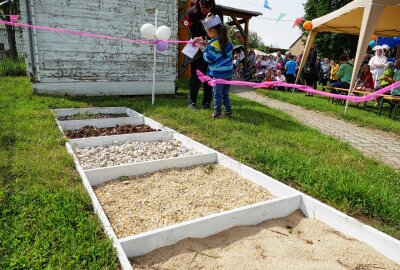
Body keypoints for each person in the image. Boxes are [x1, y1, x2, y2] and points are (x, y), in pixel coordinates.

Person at [187, 0, 223, 110]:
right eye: (203, 8)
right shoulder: (192, 12)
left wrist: (212, 43)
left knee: (210, 74)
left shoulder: (218, 10)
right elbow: (192, 32)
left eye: (208, 9)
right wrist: (197, 39)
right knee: (197, 74)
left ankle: (206, 103)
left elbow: (220, 29)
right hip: (198, 46)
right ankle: (191, 102)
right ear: (199, 4)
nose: (205, 11)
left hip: (212, 46)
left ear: (212, 6)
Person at [198, 13, 233, 118]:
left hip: (219, 73)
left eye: (207, 31)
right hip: (228, 72)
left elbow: (209, 58)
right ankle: (228, 111)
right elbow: (219, 48)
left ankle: (217, 113)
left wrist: (203, 50)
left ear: (212, 30)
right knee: (225, 93)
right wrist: (207, 44)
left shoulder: (213, 44)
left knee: (217, 94)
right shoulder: (227, 40)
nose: (206, 33)